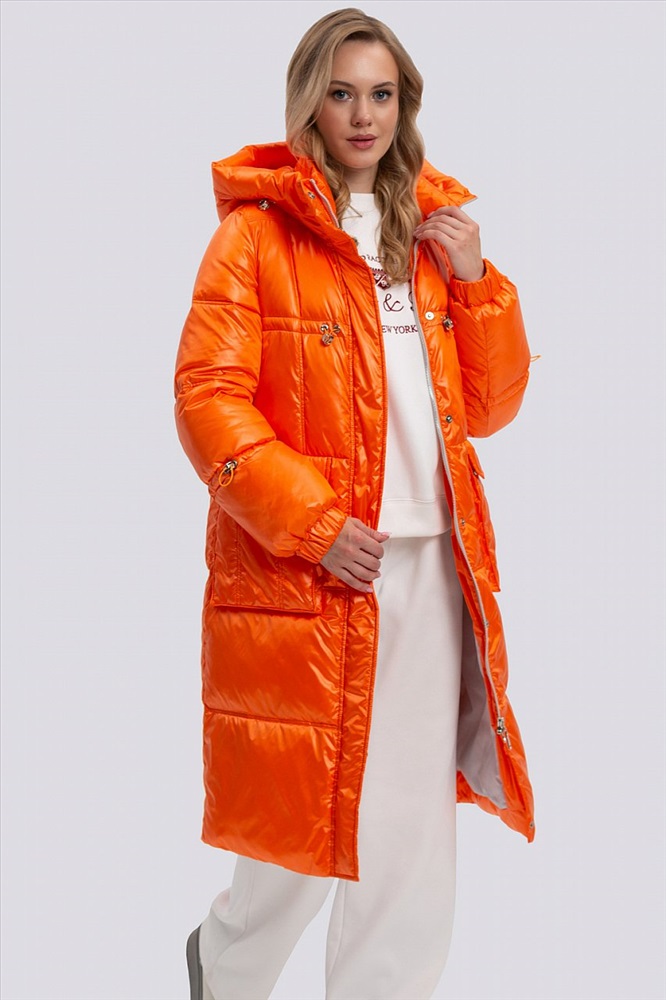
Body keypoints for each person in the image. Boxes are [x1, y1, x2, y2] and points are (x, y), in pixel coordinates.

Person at [175, 8, 535, 999]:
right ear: (310, 103)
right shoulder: (255, 237)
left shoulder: (433, 235)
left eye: (381, 93)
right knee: (305, 816)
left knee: (409, 825)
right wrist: (316, 526)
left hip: (431, 564)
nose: (363, 115)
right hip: (315, 566)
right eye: (341, 93)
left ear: (403, 104)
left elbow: (491, 409)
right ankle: (225, 967)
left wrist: (478, 283)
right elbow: (207, 400)